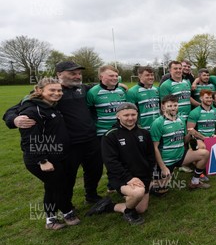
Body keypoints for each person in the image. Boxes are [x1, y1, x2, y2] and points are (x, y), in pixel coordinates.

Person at [4, 61, 104, 204]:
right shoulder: (50, 91)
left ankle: (92, 196)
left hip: (90, 140)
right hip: (70, 144)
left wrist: (121, 86)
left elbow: (101, 88)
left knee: (95, 170)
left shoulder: (83, 88)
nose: (77, 76)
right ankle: (67, 206)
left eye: (79, 73)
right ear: (59, 74)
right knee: (68, 177)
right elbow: (15, 109)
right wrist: (14, 119)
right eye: (72, 73)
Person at [18, 78, 78, 230]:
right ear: (39, 91)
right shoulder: (33, 110)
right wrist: (42, 160)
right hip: (43, 159)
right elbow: (30, 139)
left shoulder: (51, 106)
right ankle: (60, 215)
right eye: (52, 90)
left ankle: (58, 215)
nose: (57, 93)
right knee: (56, 186)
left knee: (55, 186)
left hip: (58, 155)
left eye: (59, 90)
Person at [92, 103, 155, 225]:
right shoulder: (110, 135)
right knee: (137, 193)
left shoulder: (144, 133)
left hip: (142, 176)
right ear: (118, 116)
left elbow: (150, 157)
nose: (130, 118)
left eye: (133, 114)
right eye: (126, 115)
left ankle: (108, 206)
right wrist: (129, 178)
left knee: (141, 209)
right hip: (121, 177)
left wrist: (149, 176)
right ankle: (129, 212)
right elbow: (111, 162)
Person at [152, 95, 210, 190]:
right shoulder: (158, 123)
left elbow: (184, 141)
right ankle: (150, 182)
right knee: (160, 189)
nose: (173, 108)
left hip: (181, 156)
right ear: (163, 107)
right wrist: (163, 167)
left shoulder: (181, 120)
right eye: (169, 106)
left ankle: (195, 182)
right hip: (167, 160)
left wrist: (190, 134)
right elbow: (154, 148)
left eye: (175, 105)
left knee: (205, 154)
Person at [86, 65, 128, 137]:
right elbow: (89, 112)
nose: (115, 78)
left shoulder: (122, 90)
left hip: (123, 130)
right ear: (101, 77)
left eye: (116, 76)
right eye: (111, 76)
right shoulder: (92, 92)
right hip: (103, 132)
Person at [126, 66, 160, 130]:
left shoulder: (157, 89)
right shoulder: (132, 92)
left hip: (157, 128)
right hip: (143, 129)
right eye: (147, 75)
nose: (150, 77)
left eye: (152, 75)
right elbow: (130, 113)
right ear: (139, 76)